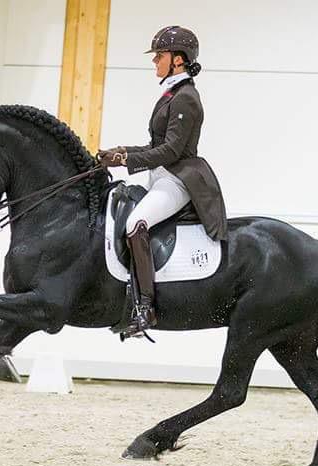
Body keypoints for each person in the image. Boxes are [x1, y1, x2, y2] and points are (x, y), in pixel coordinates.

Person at [98, 25, 228, 338]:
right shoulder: (171, 94)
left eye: (160, 55)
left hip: (179, 179)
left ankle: (146, 309)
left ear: (179, 60)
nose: (155, 60)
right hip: (160, 175)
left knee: (136, 224)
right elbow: (156, 144)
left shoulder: (186, 98)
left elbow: (171, 151)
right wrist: (122, 152)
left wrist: (127, 160)